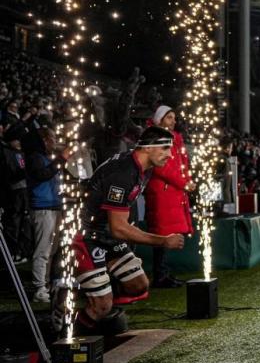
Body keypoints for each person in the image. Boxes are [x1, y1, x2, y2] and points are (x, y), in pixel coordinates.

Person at [68, 126, 185, 335]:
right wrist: (163, 241)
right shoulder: (123, 172)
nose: (169, 154)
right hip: (87, 237)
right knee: (101, 306)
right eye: (165, 148)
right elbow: (118, 228)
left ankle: (100, 304)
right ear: (148, 148)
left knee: (138, 285)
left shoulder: (142, 167)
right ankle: (71, 340)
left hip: (106, 234)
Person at [144, 106, 194, 288]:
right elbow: (161, 167)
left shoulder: (173, 140)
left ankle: (163, 273)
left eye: (174, 117)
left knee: (167, 232)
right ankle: (160, 275)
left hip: (171, 191)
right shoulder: (155, 139)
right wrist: (184, 182)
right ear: (160, 120)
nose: (173, 121)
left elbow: (180, 165)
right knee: (161, 232)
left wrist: (186, 180)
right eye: (169, 117)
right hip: (163, 191)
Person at [25, 128, 70, 302]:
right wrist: (61, 159)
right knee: (43, 250)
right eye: (52, 138)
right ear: (44, 139)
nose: (54, 141)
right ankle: (39, 288)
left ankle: (47, 284)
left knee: (51, 249)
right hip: (42, 208)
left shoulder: (45, 157)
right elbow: (42, 175)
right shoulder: (35, 158)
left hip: (53, 206)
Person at [0, 123, 32, 263]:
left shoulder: (21, 152)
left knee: (24, 223)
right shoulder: (6, 152)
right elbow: (9, 174)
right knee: (14, 223)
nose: (19, 143)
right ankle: (12, 252)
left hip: (24, 191)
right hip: (14, 193)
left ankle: (22, 251)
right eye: (17, 140)